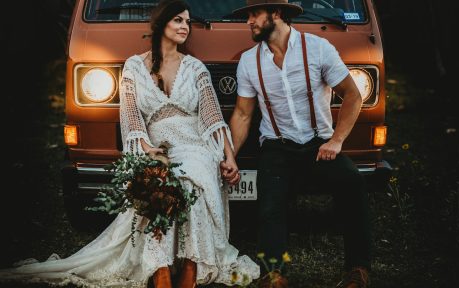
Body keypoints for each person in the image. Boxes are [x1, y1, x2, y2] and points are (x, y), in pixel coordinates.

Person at [0, 1, 259, 287]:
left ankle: (190, 266)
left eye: (187, 21)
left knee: (192, 177)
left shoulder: (196, 68)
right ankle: (160, 268)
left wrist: (229, 157)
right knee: (162, 181)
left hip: (194, 142)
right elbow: (132, 120)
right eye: (178, 20)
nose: (186, 26)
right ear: (161, 24)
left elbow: (211, 119)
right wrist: (148, 149)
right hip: (157, 143)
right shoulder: (134, 68)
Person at [223, 1, 372, 287]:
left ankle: (358, 270)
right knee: (269, 205)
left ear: (276, 13)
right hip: (277, 145)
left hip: (319, 143)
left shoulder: (318, 48)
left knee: (352, 182)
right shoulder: (249, 61)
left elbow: (352, 95)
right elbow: (242, 115)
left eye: (254, 15)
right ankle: (274, 273)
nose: (248, 22)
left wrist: (337, 141)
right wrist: (231, 156)